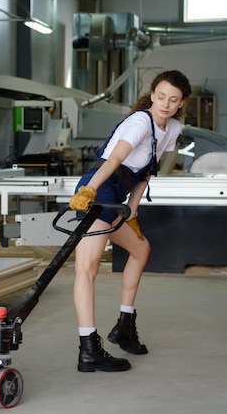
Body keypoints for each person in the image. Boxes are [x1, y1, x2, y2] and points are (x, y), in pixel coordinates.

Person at [68, 70, 192, 372]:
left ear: (181, 103)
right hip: (99, 189)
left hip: (118, 196)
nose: (165, 104)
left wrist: (132, 209)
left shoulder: (172, 128)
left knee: (140, 249)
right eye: (161, 96)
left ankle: (124, 326)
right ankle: (88, 350)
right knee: (88, 267)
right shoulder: (139, 122)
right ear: (152, 95)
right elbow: (113, 162)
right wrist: (88, 190)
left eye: (172, 100)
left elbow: (147, 171)